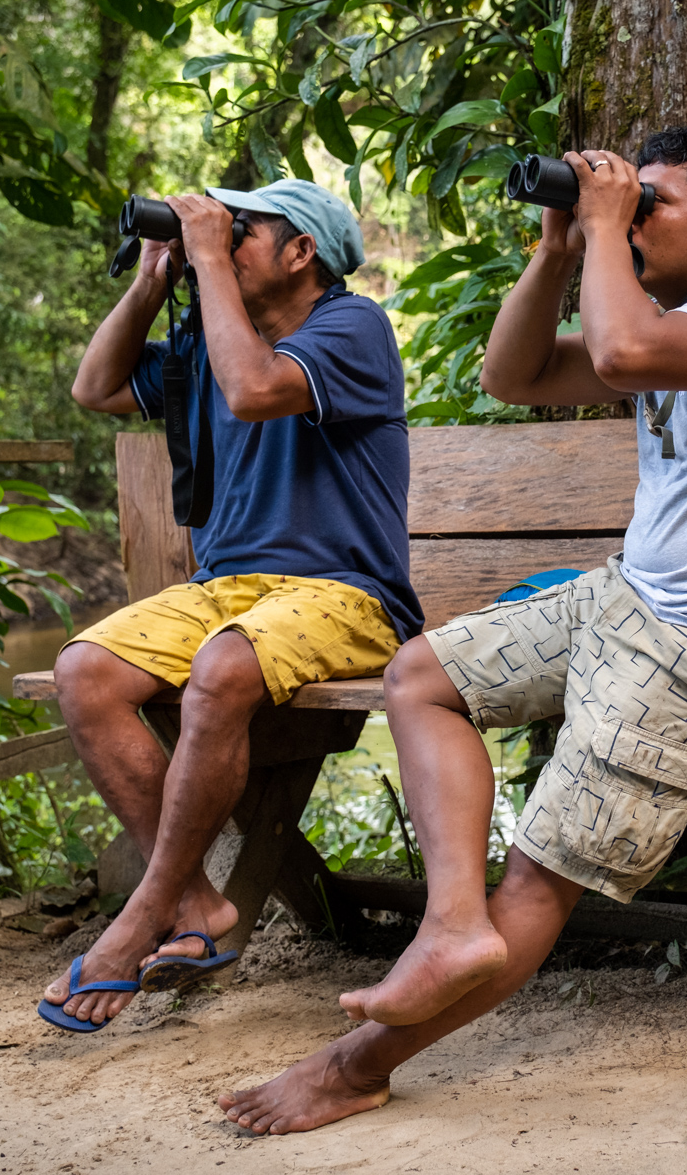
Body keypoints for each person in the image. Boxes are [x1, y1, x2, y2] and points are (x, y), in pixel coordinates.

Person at [214, 124, 687, 1133]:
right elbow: (511, 376)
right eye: (626, 205)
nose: (630, 222)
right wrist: (559, 247)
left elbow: (618, 347)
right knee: (422, 675)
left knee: (541, 872)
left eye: (654, 206)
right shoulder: (675, 322)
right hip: (629, 599)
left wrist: (602, 227)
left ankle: (354, 1064)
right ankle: (453, 922)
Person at [38, 179, 423, 1032]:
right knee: (83, 672)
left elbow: (253, 389)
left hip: (347, 595)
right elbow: (96, 390)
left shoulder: (348, 328)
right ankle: (200, 903)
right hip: (228, 592)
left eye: (244, 230)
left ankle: (144, 912)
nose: (225, 239)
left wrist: (206, 258)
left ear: (302, 253)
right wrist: (152, 279)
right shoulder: (211, 342)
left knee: (221, 665)